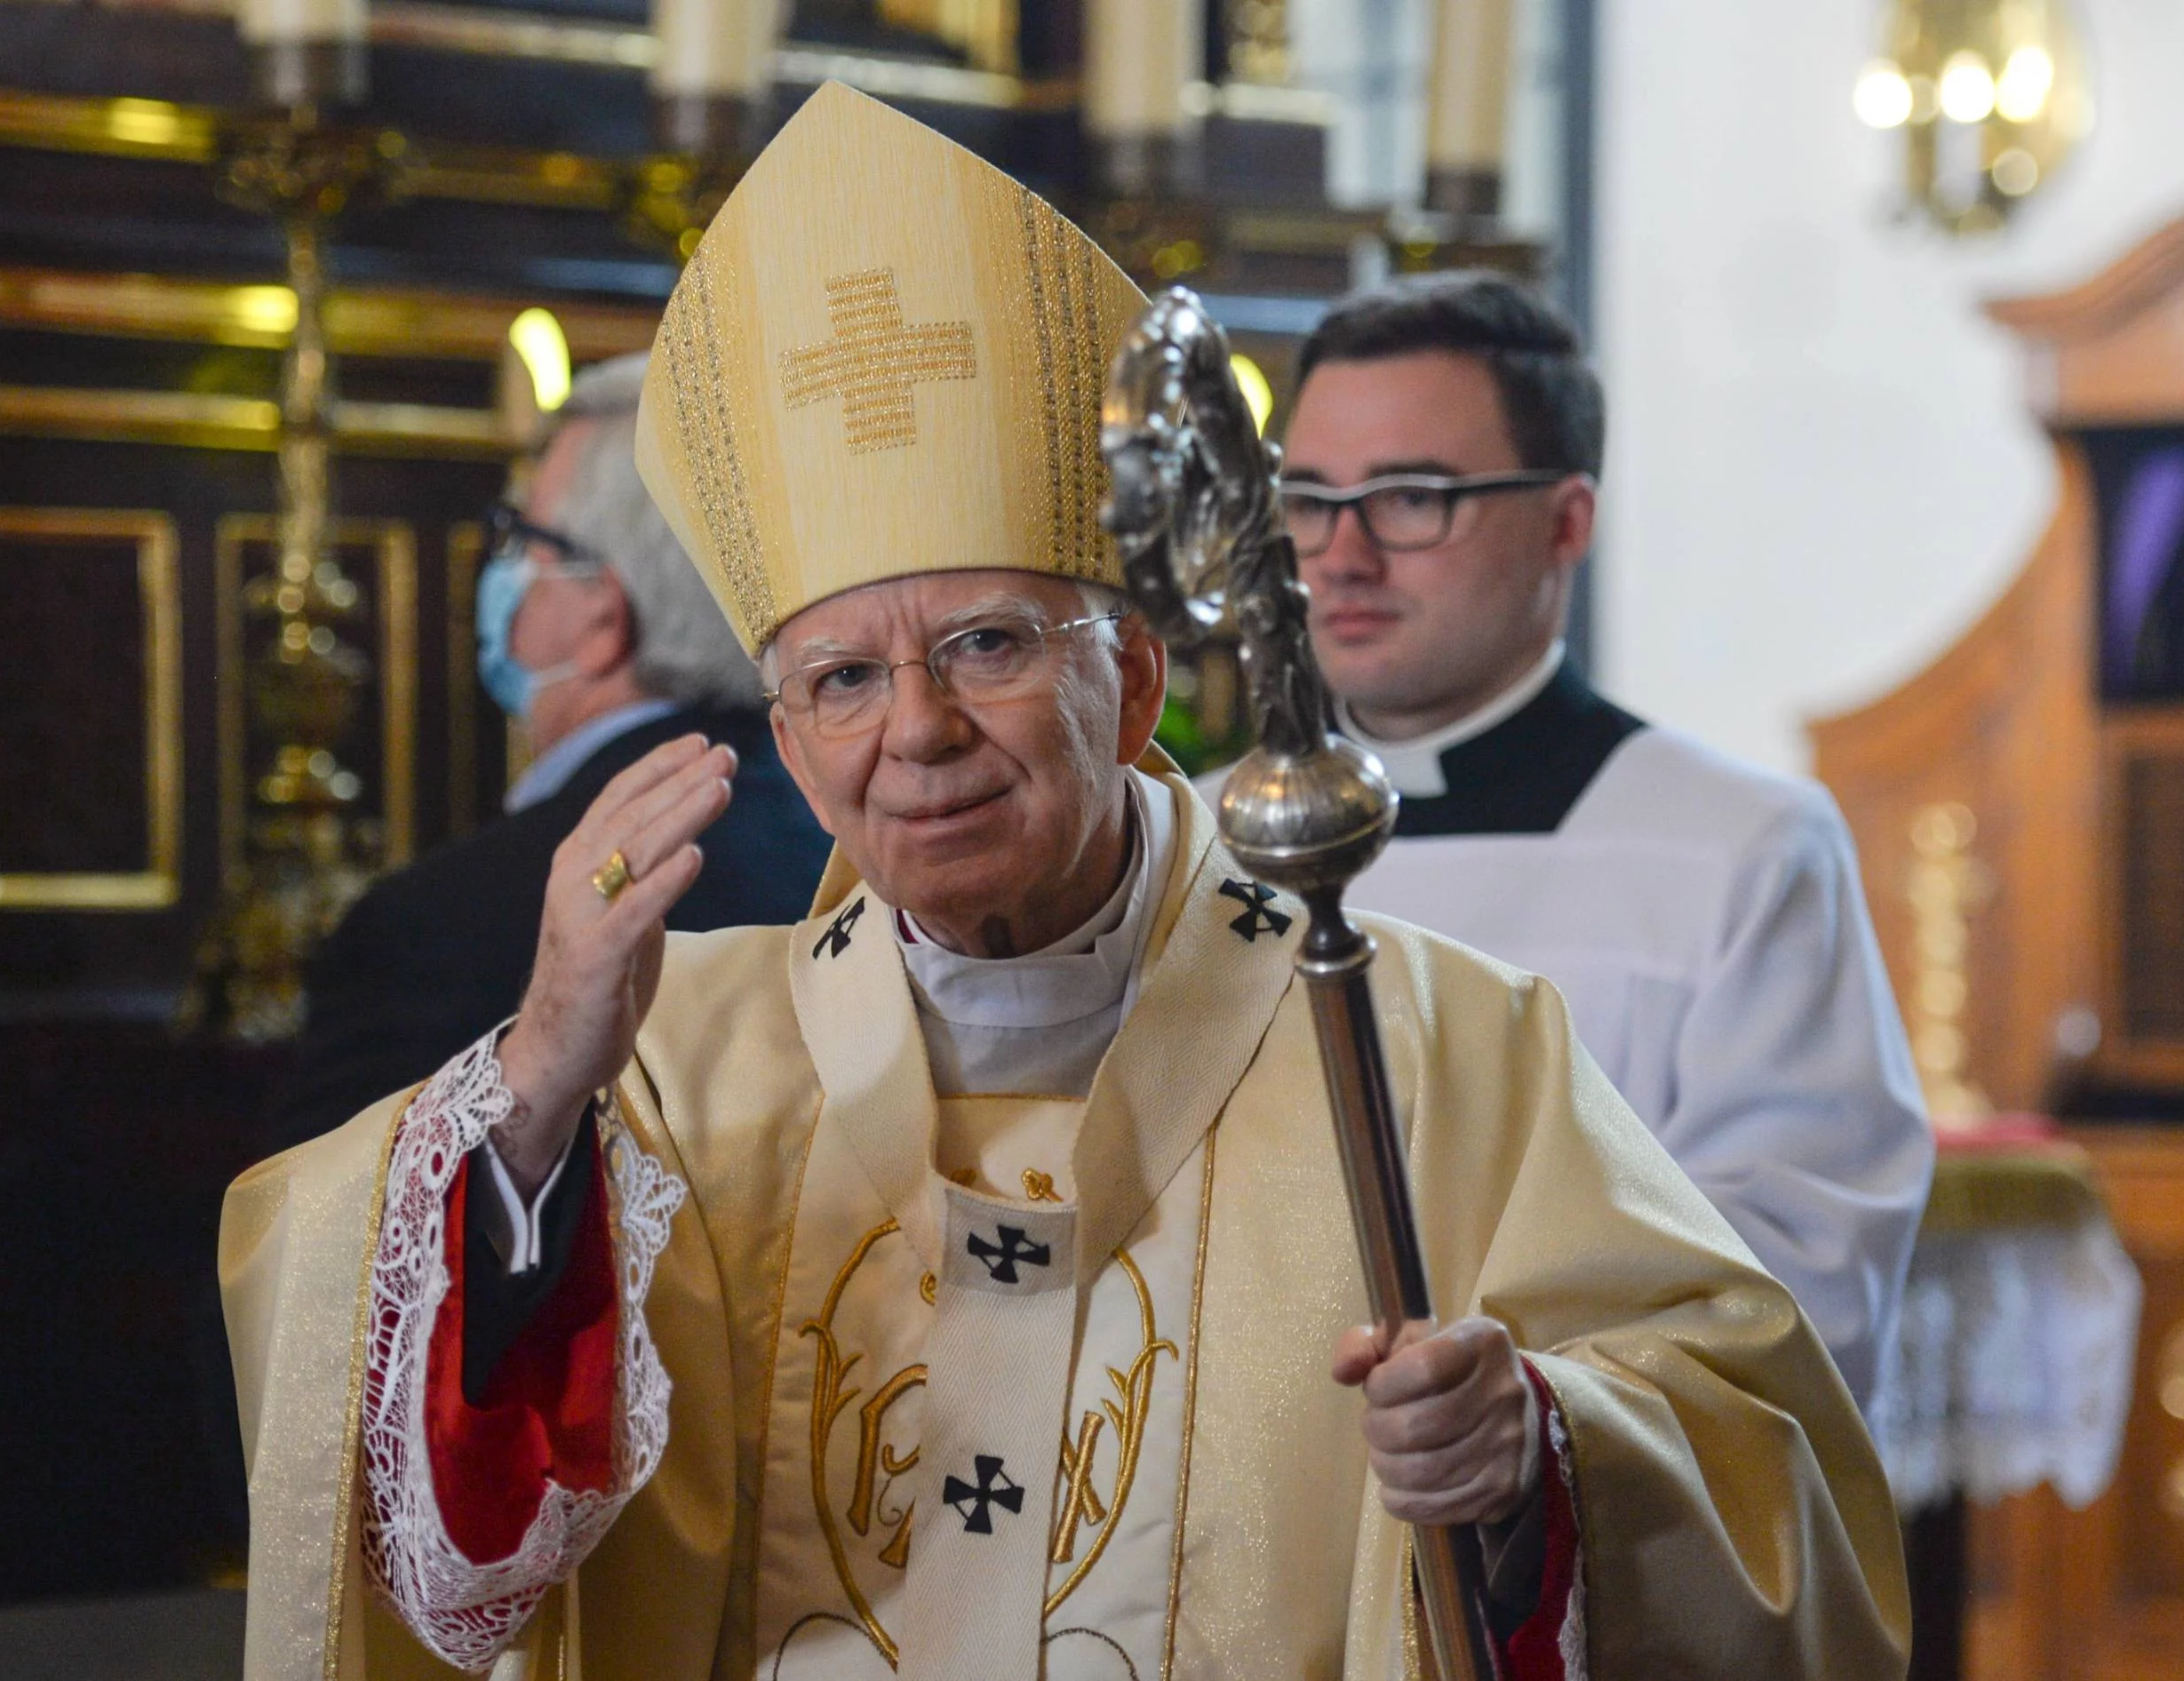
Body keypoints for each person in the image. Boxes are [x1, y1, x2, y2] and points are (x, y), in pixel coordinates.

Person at [220, 84, 1907, 1681]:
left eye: (988, 644)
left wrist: (1535, 1445)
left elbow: (1768, 1466)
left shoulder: (1429, 1042)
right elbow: (446, 1537)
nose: (922, 732)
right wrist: (528, 1094)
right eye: (843, 681)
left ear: (1139, 680)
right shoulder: (678, 1067)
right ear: (789, 746)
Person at [1268, 272, 1933, 1411]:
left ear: (1566, 520)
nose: (1341, 554)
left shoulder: (1741, 848)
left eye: (1411, 495)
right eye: (1310, 498)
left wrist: (1520, 1418)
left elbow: (1789, 1294)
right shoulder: (1210, 844)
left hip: (1560, 1528)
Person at [263, 355, 831, 1145]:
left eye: (521, 537)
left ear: (601, 617)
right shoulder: (853, 853)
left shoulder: (431, 929)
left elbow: (326, 1254)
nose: (499, 573)